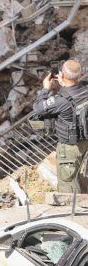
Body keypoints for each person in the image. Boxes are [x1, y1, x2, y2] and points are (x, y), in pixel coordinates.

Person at [33, 59, 88, 193]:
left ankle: (72, 211)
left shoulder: (61, 100)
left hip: (69, 147)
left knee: (67, 181)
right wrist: (65, 83)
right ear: (79, 75)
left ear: (62, 75)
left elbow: (38, 108)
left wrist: (46, 88)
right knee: (81, 173)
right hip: (85, 139)